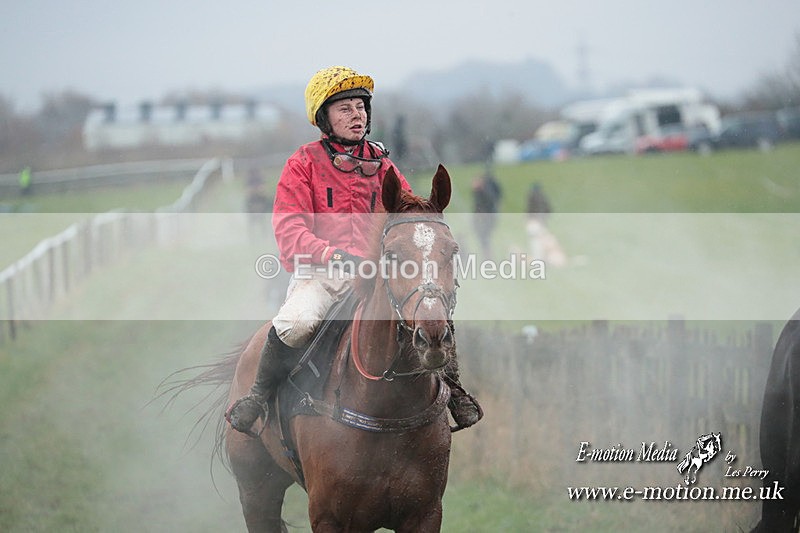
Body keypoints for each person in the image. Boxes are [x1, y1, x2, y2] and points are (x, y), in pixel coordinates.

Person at [226, 66, 482, 435]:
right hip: (321, 274)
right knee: (296, 322)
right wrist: (331, 255)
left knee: (430, 310)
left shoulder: (384, 166)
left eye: (360, 107)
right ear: (324, 118)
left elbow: (409, 221)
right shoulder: (302, 164)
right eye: (344, 108)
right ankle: (258, 396)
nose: (356, 115)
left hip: (375, 276)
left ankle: (454, 389)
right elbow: (289, 229)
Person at [471, 166, 502, 257]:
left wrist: (482, 214)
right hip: (483, 217)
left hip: (487, 217)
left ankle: (488, 255)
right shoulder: (478, 192)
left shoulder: (485, 192)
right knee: (482, 237)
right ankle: (487, 254)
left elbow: (489, 204)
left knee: (485, 236)